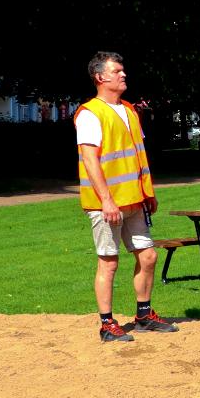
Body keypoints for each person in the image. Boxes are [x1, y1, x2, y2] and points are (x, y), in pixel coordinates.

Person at [76, 52, 177, 342]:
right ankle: (107, 324)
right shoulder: (90, 114)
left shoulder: (130, 110)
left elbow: (136, 156)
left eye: (123, 70)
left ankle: (143, 315)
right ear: (101, 77)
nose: (123, 75)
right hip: (107, 204)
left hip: (134, 201)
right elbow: (91, 161)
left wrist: (148, 192)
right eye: (117, 71)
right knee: (108, 263)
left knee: (148, 256)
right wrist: (106, 200)